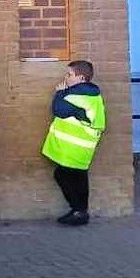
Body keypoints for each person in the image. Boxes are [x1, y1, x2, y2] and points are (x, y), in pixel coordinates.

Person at [42, 60, 105, 226]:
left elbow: (59, 110)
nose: (67, 78)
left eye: (70, 75)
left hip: (76, 146)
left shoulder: (78, 95)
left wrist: (60, 92)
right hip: (84, 145)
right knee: (79, 177)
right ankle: (80, 212)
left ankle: (78, 210)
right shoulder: (92, 93)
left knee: (62, 175)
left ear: (81, 78)